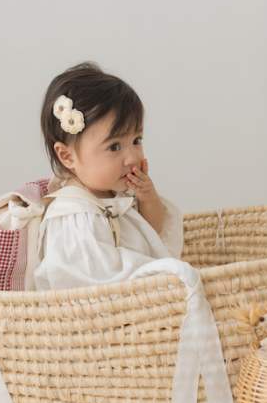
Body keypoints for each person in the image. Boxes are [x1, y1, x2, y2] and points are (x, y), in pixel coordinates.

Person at [34, 62, 183, 291]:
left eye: (136, 140)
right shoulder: (75, 215)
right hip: (98, 306)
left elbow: (152, 233)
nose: (132, 158)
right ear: (67, 156)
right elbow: (98, 278)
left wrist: (148, 197)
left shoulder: (117, 193)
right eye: (114, 147)